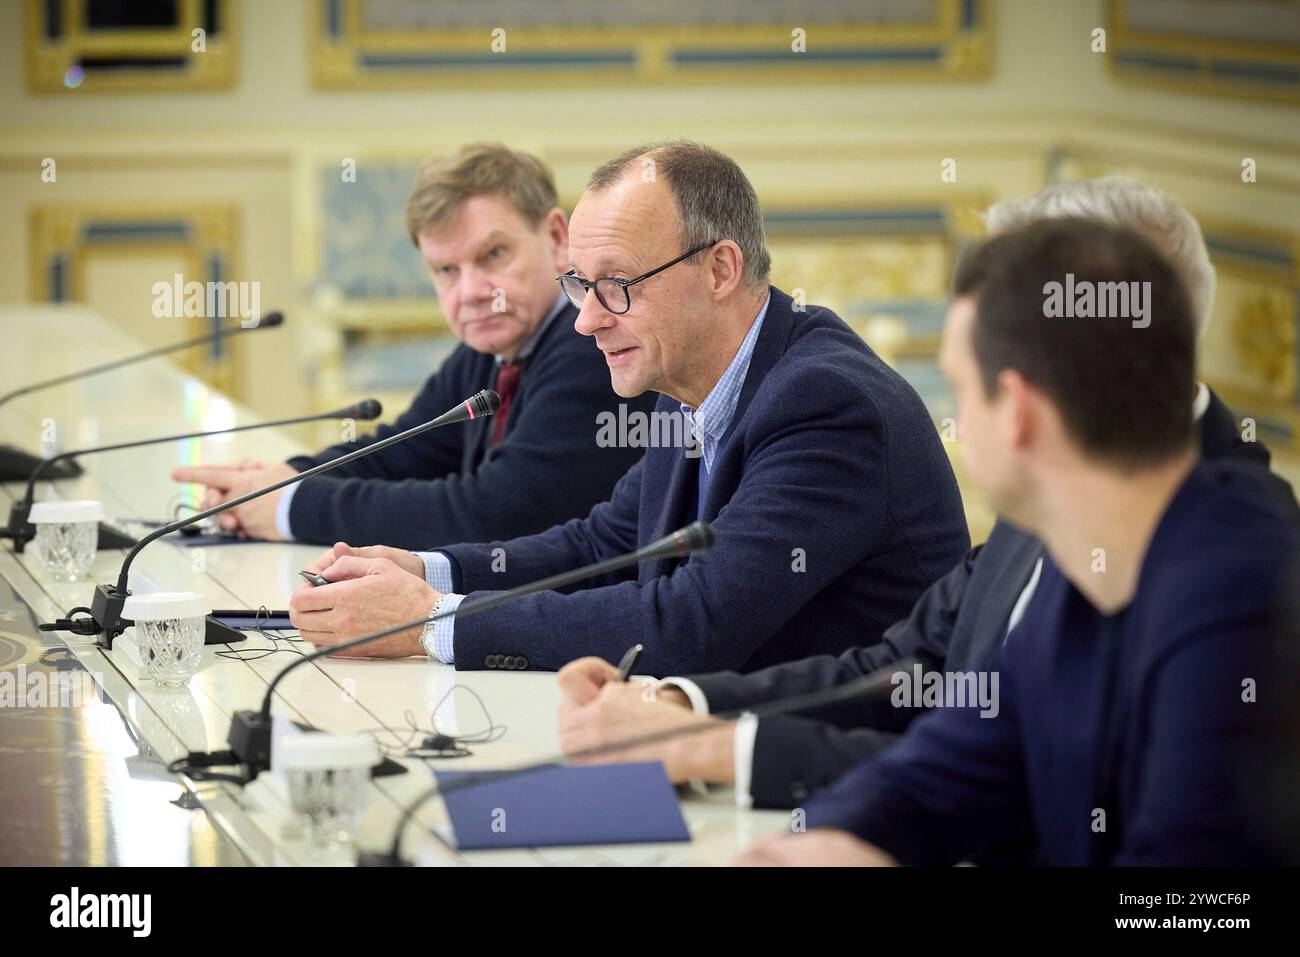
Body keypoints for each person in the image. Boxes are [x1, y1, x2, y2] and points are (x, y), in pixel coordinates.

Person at [553, 176, 1296, 811]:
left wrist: (719, 749)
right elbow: (916, 675)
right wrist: (686, 708)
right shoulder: (1067, 490)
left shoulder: (1235, 568)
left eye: (968, 385)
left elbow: (1138, 863)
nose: (956, 423)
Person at [287, 141, 970, 674]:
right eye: (580, 286)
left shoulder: (826, 404)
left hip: (840, 776)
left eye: (615, 285)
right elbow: (607, 544)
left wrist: (430, 621)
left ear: (721, 269)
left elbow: (694, 622)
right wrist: (428, 569)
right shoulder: (691, 369)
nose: (585, 321)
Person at [737, 218, 1299, 866]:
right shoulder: (1079, 555)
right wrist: (812, 845)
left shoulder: (1236, 595)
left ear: (1019, 410)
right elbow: (951, 765)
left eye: (960, 390)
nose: (957, 422)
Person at [172, 143, 655, 549]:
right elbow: (402, 449)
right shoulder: (491, 351)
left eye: (492, 255)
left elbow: (495, 514)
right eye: (446, 270)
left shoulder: (591, 343)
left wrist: (289, 509)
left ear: (555, 238)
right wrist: (281, 478)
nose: (470, 291)